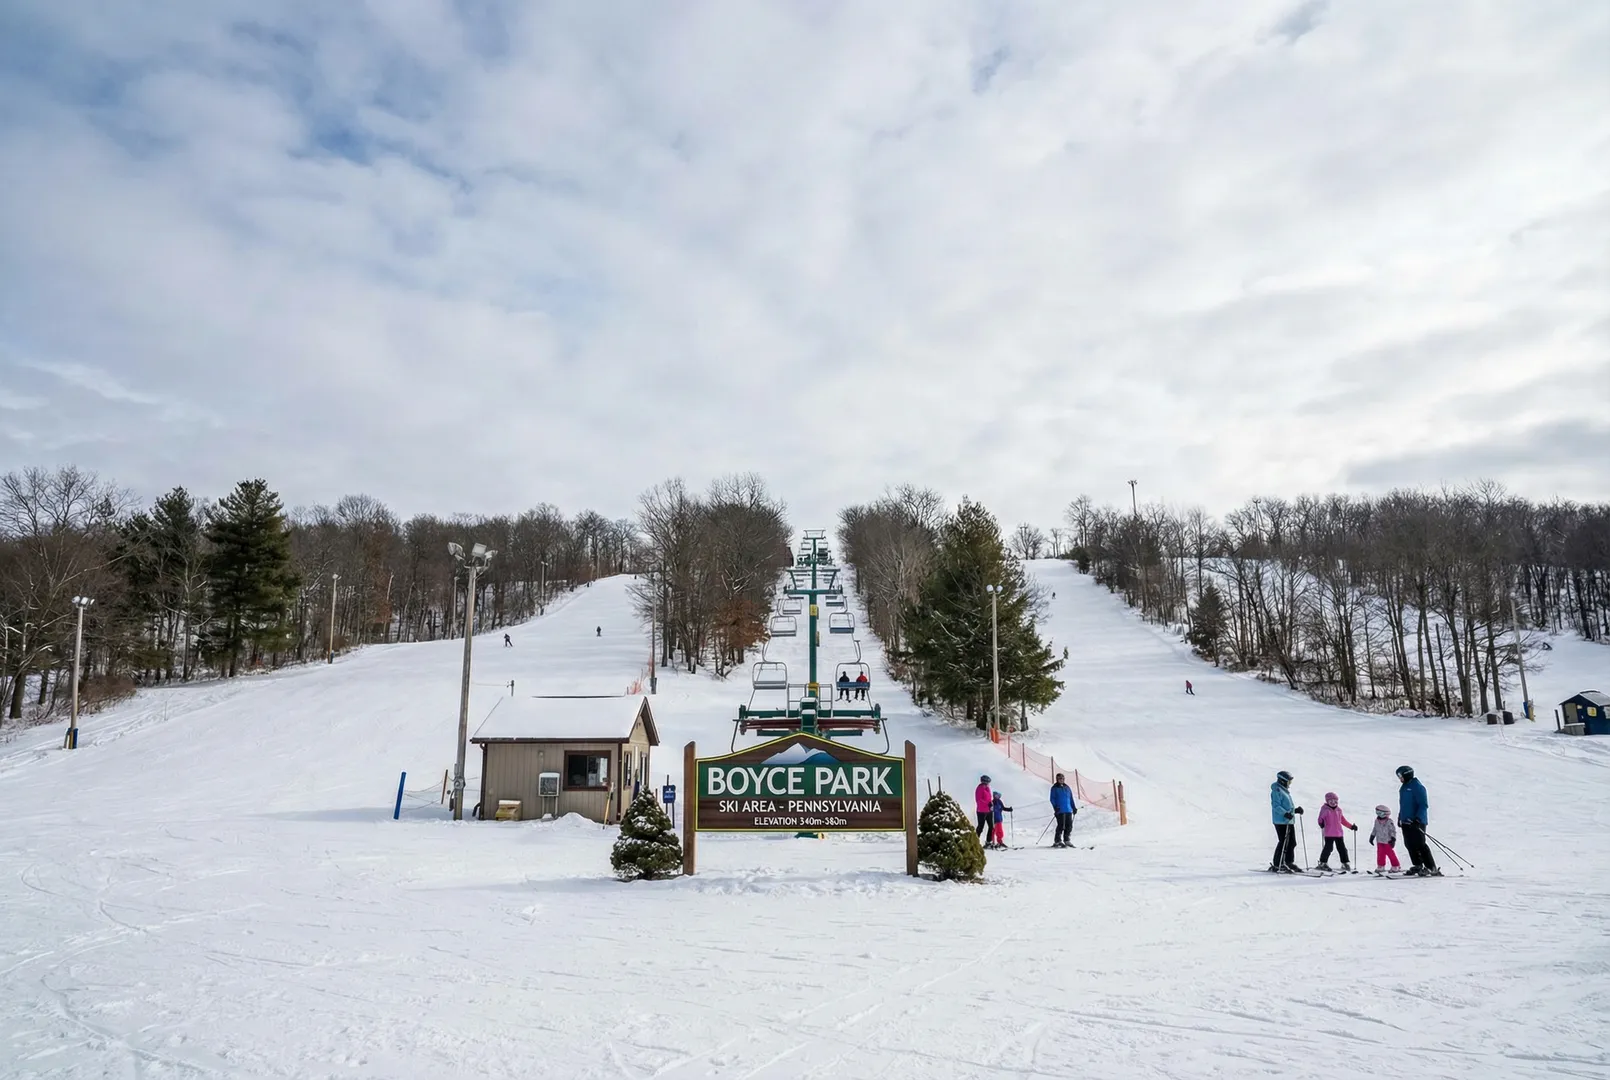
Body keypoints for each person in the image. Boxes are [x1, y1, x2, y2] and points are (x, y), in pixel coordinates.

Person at [1396, 766, 1440, 876]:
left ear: (1406, 775)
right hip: (1406, 821)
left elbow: (1423, 804)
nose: (1399, 779)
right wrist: (1400, 817)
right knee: (1409, 844)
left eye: (1400, 776)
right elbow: (1403, 805)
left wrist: (1418, 818)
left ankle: (1431, 867)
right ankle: (1418, 865)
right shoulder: (1404, 788)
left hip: (1417, 821)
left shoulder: (1417, 787)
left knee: (1420, 844)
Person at [1269, 770, 1302, 872]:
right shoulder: (1277, 791)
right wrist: (1284, 813)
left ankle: (1289, 862)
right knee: (1283, 842)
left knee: (1292, 842)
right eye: (1289, 782)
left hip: (1288, 820)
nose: (1289, 784)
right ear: (1283, 781)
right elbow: (1276, 805)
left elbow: (1287, 806)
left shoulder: (1284, 791)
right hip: (1280, 821)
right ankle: (1278, 864)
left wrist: (1295, 810)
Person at [1315, 792, 1357, 871]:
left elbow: (1343, 820)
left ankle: (1345, 863)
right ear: (1327, 801)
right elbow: (1320, 818)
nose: (1333, 803)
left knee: (1342, 849)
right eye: (1331, 801)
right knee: (1328, 848)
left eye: (1335, 801)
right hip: (1329, 833)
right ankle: (1323, 863)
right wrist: (1321, 823)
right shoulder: (1324, 809)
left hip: (1338, 833)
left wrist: (1351, 827)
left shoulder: (1339, 810)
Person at [1368, 804, 1401, 874]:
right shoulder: (1376, 821)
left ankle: (1396, 865)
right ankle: (1381, 865)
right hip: (1379, 841)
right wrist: (1372, 836)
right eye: (1377, 813)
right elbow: (1375, 829)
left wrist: (1393, 839)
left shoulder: (1389, 821)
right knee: (1380, 854)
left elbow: (1393, 830)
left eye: (1380, 813)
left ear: (1386, 814)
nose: (1379, 815)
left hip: (1387, 841)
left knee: (1390, 854)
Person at [1050, 772, 1077, 847]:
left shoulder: (1067, 787)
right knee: (1061, 825)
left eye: (1062, 778)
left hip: (1068, 809)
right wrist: (1055, 807)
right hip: (1060, 810)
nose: (1061, 780)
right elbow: (1052, 799)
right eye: (1060, 778)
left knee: (1069, 825)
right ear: (1057, 779)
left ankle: (1066, 839)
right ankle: (1057, 840)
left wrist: (1073, 807)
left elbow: (1070, 798)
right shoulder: (1055, 788)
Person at [974, 776, 993, 841]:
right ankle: (975, 841)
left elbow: (989, 798)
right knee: (981, 826)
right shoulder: (979, 788)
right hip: (981, 811)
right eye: (988, 782)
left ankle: (988, 841)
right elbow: (979, 800)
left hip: (988, 810)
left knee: (991, 826)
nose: (988, 783)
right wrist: (987, 804)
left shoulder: (987, 788)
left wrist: (990, 803)